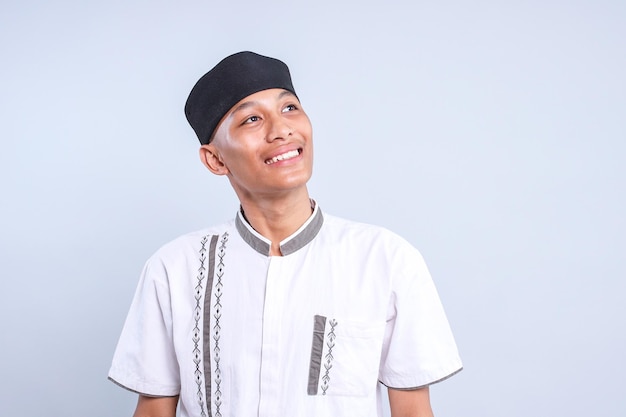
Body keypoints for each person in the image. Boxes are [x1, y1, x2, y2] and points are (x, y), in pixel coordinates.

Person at [108, 51, 462, 417]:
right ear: (216, 160)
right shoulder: (172, 269)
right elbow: (153, 411)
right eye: (252, 119)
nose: (281, 130)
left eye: (290, 108)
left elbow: (413, 411)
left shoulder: (385, 259)